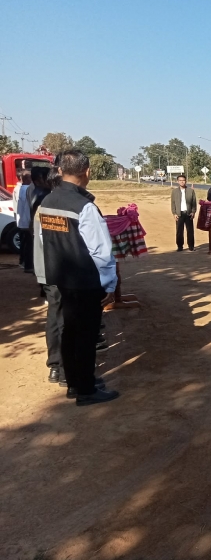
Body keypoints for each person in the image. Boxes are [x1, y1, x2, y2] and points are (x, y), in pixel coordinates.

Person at [38, 150, 119, 405]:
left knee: (69, 332)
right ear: (87, 172)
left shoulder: (47, 201)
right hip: (85, 282)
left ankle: (74, 383)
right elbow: (100, 252)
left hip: (60, 278)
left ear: (61, 170)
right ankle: (86, 390)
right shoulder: (85, 207)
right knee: (85, 336)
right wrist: (110, 284)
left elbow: (42, 240)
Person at [31, 164, 63, 383]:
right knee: (66, 319)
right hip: (63, 271)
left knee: (54, 316)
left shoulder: (42, 206)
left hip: (46, 270)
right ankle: (67, 370)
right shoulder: (61, 206)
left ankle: (55, 366)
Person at [13, 169, 33, 271]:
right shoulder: (27, 190)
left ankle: (23, 262)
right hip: (27, 222)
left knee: (24, 243)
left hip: (22, 221)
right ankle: (27, 265)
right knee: (28, 245)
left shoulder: (21, 189)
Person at [170, 174, 197, 252]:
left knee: (190, 231)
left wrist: (193, 212)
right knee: (179, 231)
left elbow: (194, 203)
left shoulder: (191, 191)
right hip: (179, 214)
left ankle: (191, 246)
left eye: (183, 180)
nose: (182, 182)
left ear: (186, 181)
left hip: (188, 213)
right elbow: (173, 203)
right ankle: (180, 246)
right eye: (180, 180)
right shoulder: (174, 191)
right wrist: (174, 213)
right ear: (178, 181)